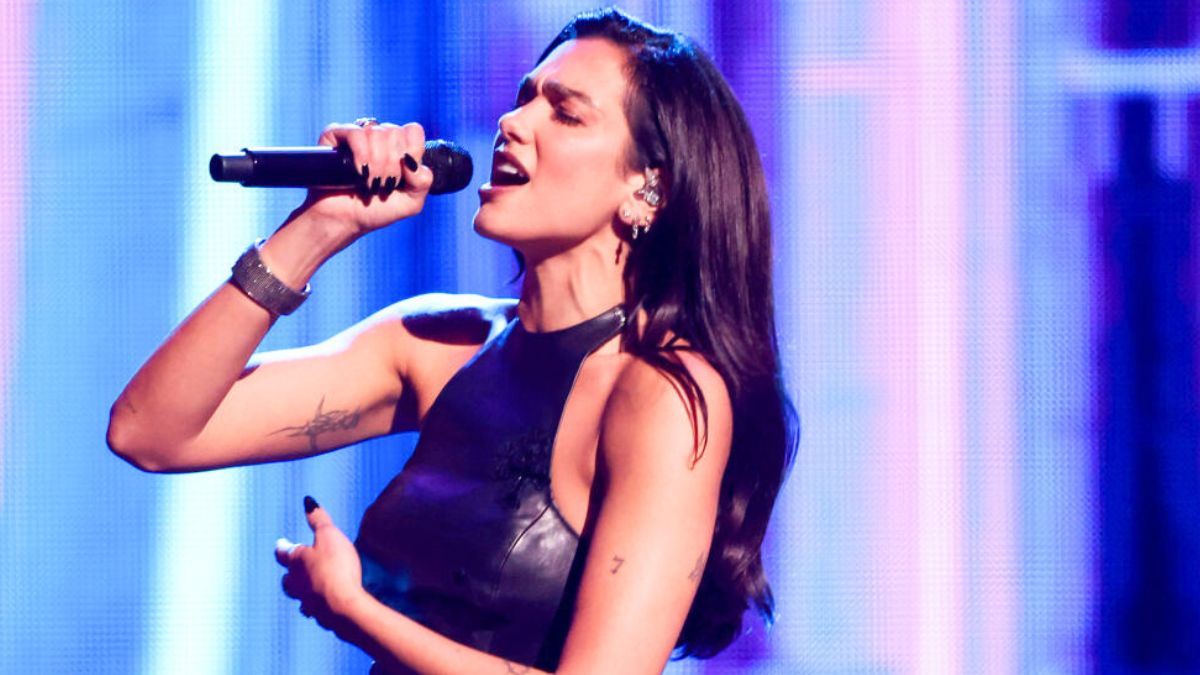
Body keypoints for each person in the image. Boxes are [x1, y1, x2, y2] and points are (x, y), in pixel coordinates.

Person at [108, 7, 797, 674]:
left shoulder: (663, 392)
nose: (512, 121)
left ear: (648, 188)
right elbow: (151, 431)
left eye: (564, 112)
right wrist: (318, 228)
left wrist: (357, 611)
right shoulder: (440, 341)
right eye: (525, 96)